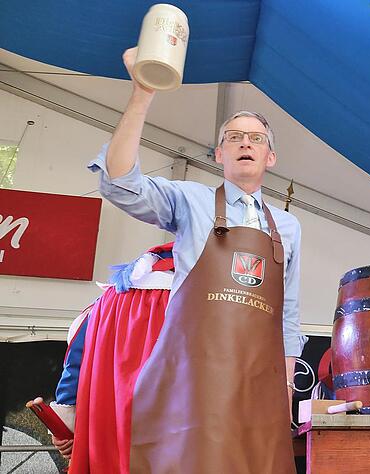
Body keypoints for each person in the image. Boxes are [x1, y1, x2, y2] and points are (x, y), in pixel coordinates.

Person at [86, 47, 304, 474]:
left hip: (257, 381)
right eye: (234, 138)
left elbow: (288, 314)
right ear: (219, 155)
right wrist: (142, 93)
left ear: (270, 158)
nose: (245, 143)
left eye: (256, 138)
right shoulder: (190, 202)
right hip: (194, 376)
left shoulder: (288, 228)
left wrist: (284, 386)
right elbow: (120, 184)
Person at [51, 243, 174, 472]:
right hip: (175, 438)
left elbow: (73, 367)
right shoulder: (197, 304)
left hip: (106, 438)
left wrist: (66, 428)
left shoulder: (102, 304)